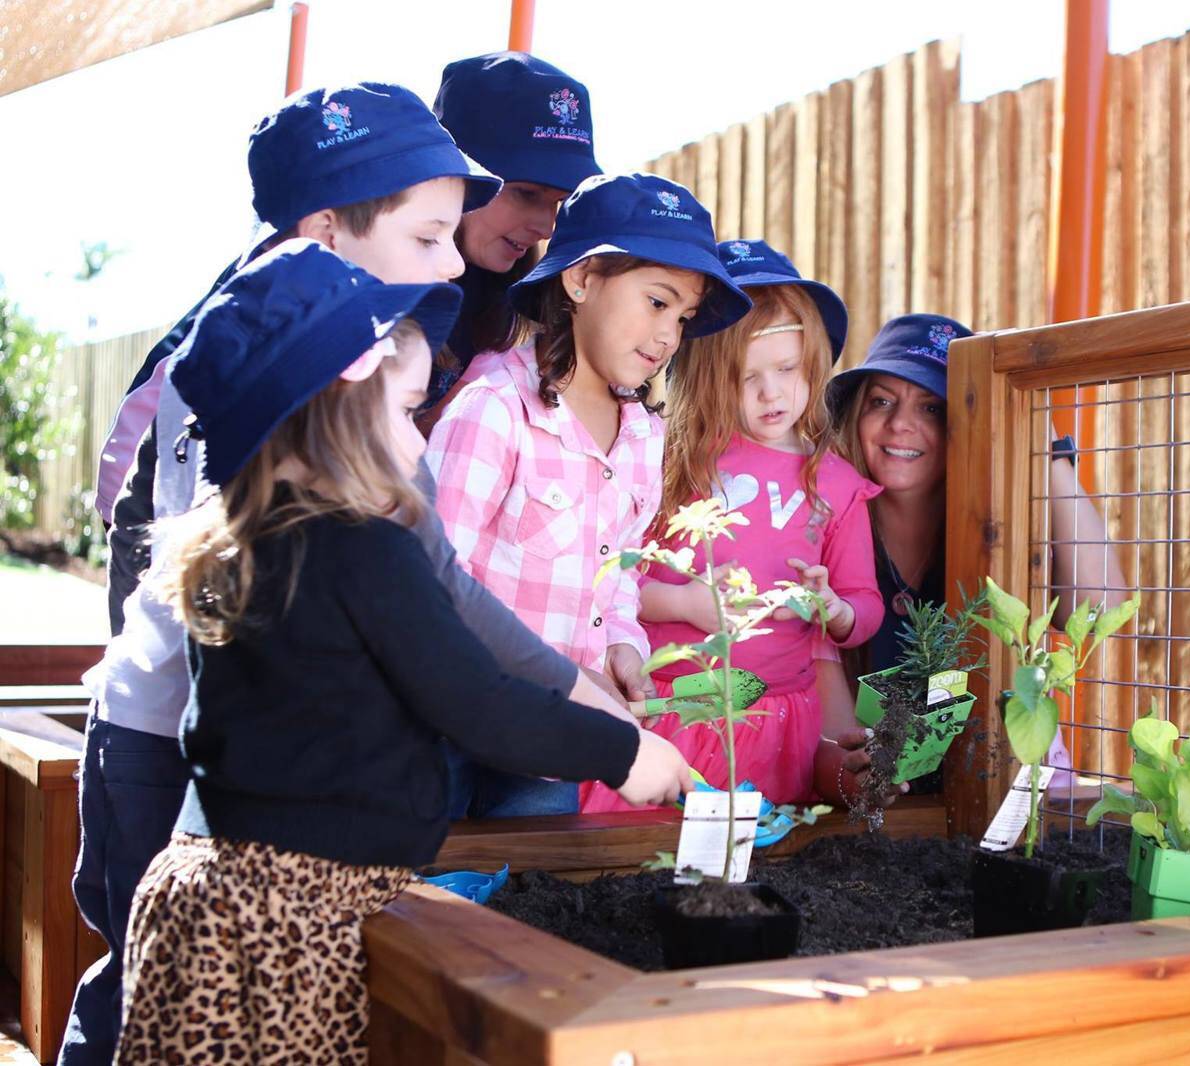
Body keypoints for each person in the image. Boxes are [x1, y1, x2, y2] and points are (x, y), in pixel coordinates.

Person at [62, 83, 567, 1066]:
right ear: (326, 232)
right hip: (172, 746)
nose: (450, 260)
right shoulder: (246, 362)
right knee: (147, 993)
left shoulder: (361, 359)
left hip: (236, 759)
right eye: (427, 237)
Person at [115, 240, 691, 1063]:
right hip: (293, 918)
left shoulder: (244, 544)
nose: (419, 446)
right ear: (327, 411)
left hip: (205, 899)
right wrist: (624, 751)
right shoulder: (362, 549)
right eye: (403, 413)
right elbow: (477, 703)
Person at [425, 173, 752, 817]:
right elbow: (430, 584)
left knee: (538, 875)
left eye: (683, 319)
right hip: (447, 730)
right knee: (430, 873)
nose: (668, 336)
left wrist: (623, 647)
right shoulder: (494, 410)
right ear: (580, 280)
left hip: (553, 747)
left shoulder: (644, 437)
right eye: (656, 302)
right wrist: (566, 681)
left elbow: (619, 573)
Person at [582, 239, 883, 811]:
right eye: (747, 377)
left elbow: (864, 601)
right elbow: (609, 579)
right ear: (709, 376)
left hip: (777, 719)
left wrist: (836, 611)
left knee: (754, 848)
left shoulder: (837, 484)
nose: (772, 393)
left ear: (813, 363)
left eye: (788, 369)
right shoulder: (671, 462)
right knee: (644, 847)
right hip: (673, 708)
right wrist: (684, 603)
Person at [820, 314, 1126, 785]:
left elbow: (1101, 610)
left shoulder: (998, 530)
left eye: (931, 408)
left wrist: (1044, 446)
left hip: (994, 792)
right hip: (863, 792)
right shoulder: (824, 523)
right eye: (881, 401)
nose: (901, 424)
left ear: (968, 423)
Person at [423, 52, 604, 416]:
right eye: (526, 194)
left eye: (558, 202)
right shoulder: (363, 286)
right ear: (454, 174)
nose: (546, 227)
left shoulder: (520, 304)